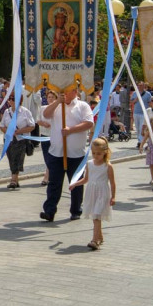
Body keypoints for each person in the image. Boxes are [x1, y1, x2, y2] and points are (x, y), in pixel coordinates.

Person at [40, 88, 94, 222]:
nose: (63, 93)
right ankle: (49, 211)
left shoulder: (82, 106)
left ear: (75, 92)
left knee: (75, 183)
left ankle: (76, 210)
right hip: (56, 152)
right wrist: (57, 101)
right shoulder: (57, 106)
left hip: (76, 154)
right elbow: (46, 114)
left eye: (67, 90)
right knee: (54, 183)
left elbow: (89, 123)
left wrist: (71, 130)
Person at [71, 137, 115, 250]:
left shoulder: (108, 166)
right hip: (92, 193)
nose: (96, 156)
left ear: (105, 152)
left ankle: (95, 241)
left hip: (102, 193)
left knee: (96, 216)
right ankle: (99, 237)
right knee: (95, 216)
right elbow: (86, 179)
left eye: (99, 154)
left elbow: (112, 182)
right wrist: (75, 184)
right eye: (94, 153)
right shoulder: (90, 164)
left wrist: (113, 197)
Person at [1, 99, 36, 190]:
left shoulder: (25, 111)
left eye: (13, 99)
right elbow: (2, 126)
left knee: (18, 158)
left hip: (21, 139)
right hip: (9, 139)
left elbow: (32, 126)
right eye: (10, 99)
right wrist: (8, 132)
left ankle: (13, 180)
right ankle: (15, 180)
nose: (11, 101)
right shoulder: (6, 111)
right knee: (11, 158)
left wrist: (19, 131)